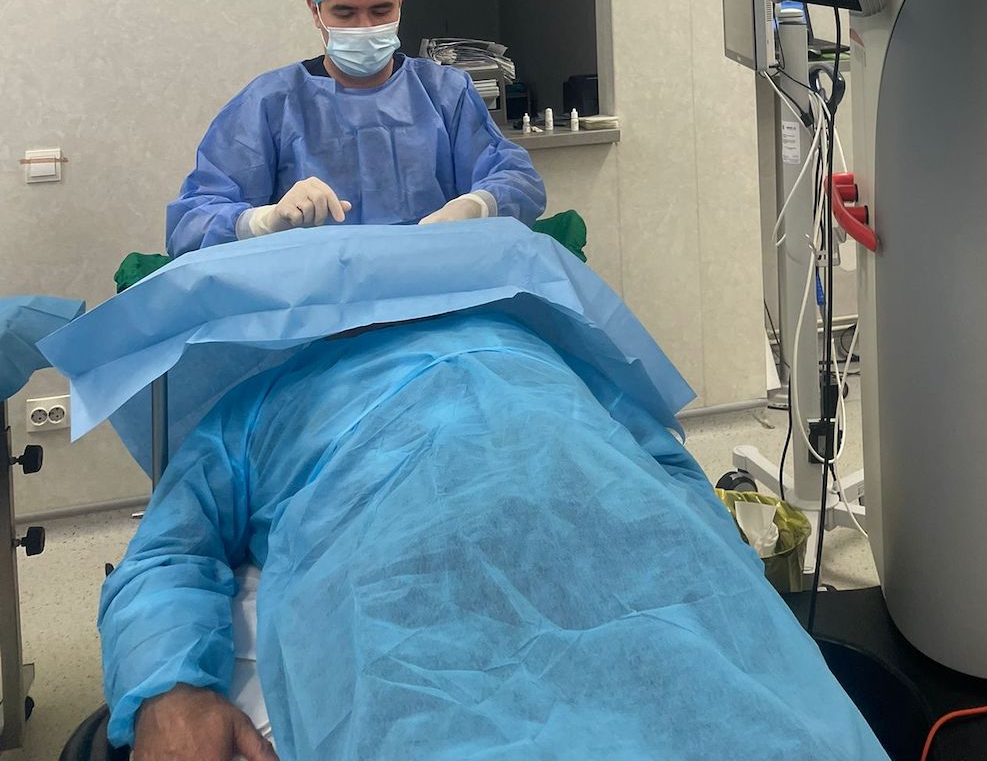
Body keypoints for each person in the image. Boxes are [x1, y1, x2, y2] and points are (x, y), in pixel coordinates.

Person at [100, 310, 887, 761]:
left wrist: (724, 584)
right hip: (399, 587)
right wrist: (170, 688)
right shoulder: (261, 401)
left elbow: (672, 479)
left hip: (615, 552)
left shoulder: (529, 342)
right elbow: (169, 549)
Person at [166, 0, 545, 256]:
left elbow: (516, 179)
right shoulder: (270, 102)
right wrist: (265, 220)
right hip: (314, 297)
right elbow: (190, 223)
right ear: (315, 11)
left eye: (380, 11)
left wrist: (475, 206)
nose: (364, 26)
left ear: (401, 2)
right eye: (344, 13)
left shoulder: (445, 92)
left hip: (429, 284)